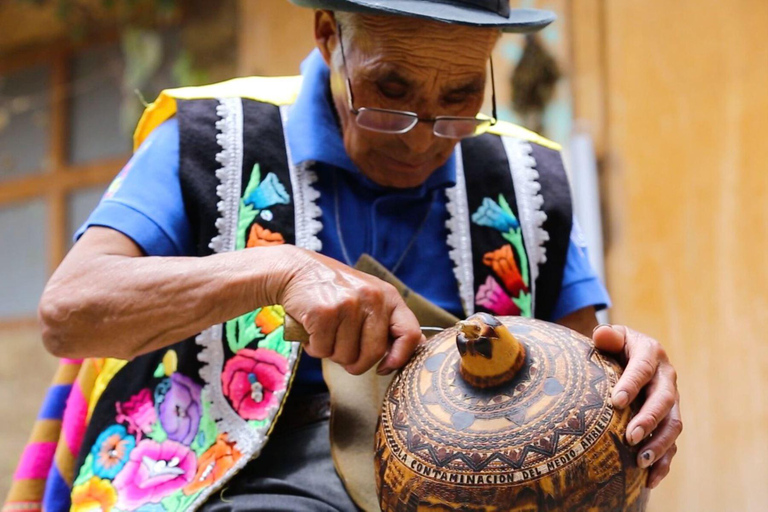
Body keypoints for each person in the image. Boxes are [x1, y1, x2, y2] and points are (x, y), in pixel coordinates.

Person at [19, 1, 681, 511]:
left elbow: (586, 375)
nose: (424, 139)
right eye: (390, 93)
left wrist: (634, 389)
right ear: (328, 35)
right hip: (244, 479)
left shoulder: (524, 174)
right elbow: (69, 312)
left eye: (459, 99)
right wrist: (278, 270)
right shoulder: (210, 137)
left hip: (473, 483)